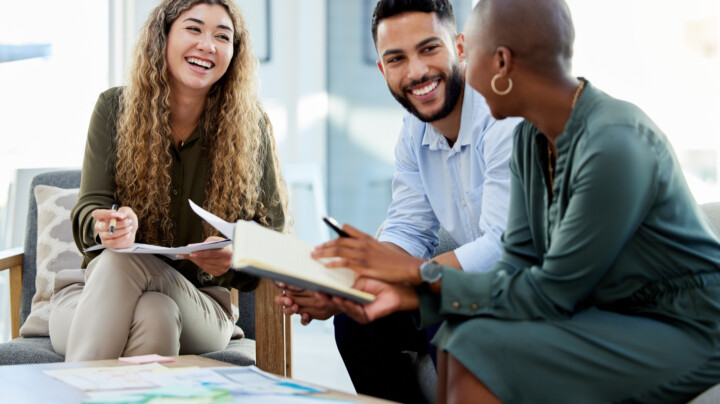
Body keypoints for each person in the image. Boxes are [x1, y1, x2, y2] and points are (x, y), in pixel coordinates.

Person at [314, 0, 720, 402]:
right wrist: (401, 288)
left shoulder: (614, 143)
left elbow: (552, 291)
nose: (463, 71)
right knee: (463, 335)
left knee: (479, 348)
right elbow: (516, 261)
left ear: (501, 63)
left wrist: (413, 282)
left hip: (684, 324)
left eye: (468, 54)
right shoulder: (531, 138)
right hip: (603, 308)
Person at [276, 0, 520, 402]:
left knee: (443, 312)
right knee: (357, 321)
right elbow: (408, 227)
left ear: (460, 47)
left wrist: (404, 274)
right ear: (382, 69)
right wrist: (343, 288)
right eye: (397, 58)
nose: (417, 72)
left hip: (518, 288)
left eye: (428, 49)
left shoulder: (501, 116)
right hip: (465, 281)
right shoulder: (413, 130)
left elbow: (502, 248)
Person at [48, 0, 287, 362]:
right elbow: (89, 211)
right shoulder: (114, 108)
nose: (207, 45)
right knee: (154, 314)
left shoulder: (251, 128)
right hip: (90, 297)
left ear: (234, 53)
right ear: (164, 36)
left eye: (222, 36)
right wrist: (110, 227)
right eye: (193, 29)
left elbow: (273, 239)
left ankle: (74, 390)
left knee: (123, 264)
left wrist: (235, 257)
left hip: (201, 306)